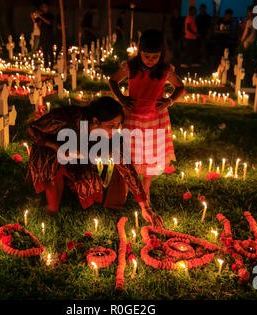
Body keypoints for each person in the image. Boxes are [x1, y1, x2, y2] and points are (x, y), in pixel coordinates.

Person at [26, 97, 163, 227]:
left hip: (76, 158)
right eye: (111, 125)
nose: (116, 130)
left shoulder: (112, 137)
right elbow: (33, 129)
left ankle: (68, 192)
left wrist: (145, 207)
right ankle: (48, 200)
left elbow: (128, 170)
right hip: (50, 152)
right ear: (96, 121)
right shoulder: (69, 119)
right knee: (51, 171)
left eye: (118, 125)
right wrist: (55, 147)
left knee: (90, 183)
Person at [108, 29, 184, 204]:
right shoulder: (131, 68)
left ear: (161, 55)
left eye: (155, 57)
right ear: (139, 52)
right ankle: (128, 191)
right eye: (147, 56)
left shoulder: (165, 71)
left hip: (155, 119)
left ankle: (145, 191)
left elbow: (180, 86)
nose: (150, 61)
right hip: (133, 117)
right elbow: (113, 80)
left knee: (150, 157)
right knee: (132, 156)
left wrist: (169, 101)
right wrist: (122, 99)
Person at [35, 3, 54, 68]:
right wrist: (32, 16)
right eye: (43, 7)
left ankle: (52, 65)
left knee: (50, 51)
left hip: (49, 35)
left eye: (45, 7)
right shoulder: (41, 15)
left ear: (47, 8)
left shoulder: (50, 15)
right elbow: (36, 22)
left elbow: (48, 22)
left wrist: (41, 17)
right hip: (43, 35)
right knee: (44, 51)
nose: (44, 8)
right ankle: (46, 65)